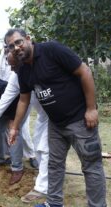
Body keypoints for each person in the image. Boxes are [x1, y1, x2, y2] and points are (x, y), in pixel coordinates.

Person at [6, 28, 106, 207]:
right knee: (54, 165)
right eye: (11, 46)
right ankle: (53, 203)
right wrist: (15, 127)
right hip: (56, 125)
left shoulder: (51, 50)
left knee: (91, 166)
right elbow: (23, 99)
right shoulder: (23, 71)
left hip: (80, 120)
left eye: (18, 42)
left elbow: (85, 72)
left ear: (28, 39)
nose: (16, 47)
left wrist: (91, 108)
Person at [0, 52, 49, 201]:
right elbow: (3, 102)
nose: (11, 69)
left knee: (14, 133)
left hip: (22, 107)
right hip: (7, 110)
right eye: (10, 65)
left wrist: (14, 121)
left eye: (14, 65)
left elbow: (19, 101)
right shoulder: (15, 76)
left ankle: (17, 168)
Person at [0, 45, 38, 169]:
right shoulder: (1, 58)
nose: (11, 68)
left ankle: (32, 155)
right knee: (11, 131)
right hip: (8, 96)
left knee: (23, 130)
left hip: (22, 97)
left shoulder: (22, 59)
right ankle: (13, 157)